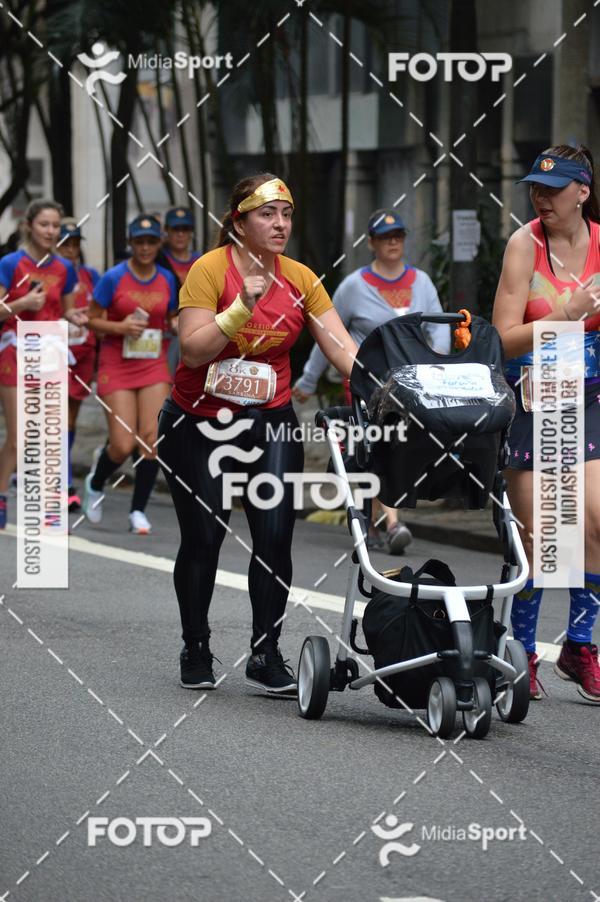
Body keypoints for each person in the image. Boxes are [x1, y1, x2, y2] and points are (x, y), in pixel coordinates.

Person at [157, 173, 358, 695]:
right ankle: (196, 645)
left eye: (286, 214)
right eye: (267, 214)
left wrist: (392, 382)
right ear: (239, 222)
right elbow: (195, 350)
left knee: (274, 537)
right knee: (204, 537)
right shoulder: (209, 270)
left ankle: (265, 653)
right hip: (197, 422)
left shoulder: (301, 278)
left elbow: (341, 349)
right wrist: (242, 306)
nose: (280, 224)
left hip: (269, 419)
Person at [492, 144, 600, 703]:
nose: (541, 198)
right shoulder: (523, 244)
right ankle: (524, 651)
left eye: (553, 189)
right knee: (544, 540)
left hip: (590, 398)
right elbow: (502, 337)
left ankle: (580, 646)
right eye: (535, 188)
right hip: (533, 401)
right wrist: (565, 314)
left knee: (597, 520)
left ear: (582, 191)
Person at [293, 209, 450, 554]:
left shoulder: (421, 282)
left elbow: (439, 327)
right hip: (367, 383)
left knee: (394, 451)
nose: (392, 242)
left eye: (398, 236)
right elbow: (329, 336)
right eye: (385, 237)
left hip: (412, 386)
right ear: (371, 243)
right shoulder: (353, 287)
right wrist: (307, 381)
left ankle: (377, 519)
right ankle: (392, 523)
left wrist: (438, 364)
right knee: (380, 447)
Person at [82, 214, 178, 535]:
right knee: (122, 445)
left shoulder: (166, 278)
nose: (146, 247)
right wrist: (120, 327)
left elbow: (173, 318)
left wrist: (186, 328)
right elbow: (91, 319)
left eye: (152, 241)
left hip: (152, 362)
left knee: (151, 441)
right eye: (140, 241)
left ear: (159, 243)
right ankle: (95, 483)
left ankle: (137, 510)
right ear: (131, 243)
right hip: (116, 362)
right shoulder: (113, 278)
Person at [0, 199, 84, 530]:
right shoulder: (10, 263)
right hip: (16, 349)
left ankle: (49, 503)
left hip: (50, 351)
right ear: (29, 226)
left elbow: (64, 309)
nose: (51, 231)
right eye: (44, 225)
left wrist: (74, 316)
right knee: (19, 437)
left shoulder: (64, 268)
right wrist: (22, 302)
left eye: (55, 226)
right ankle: (2, 493)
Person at [59, 218, 101, 511]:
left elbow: (99, 314)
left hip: (83, 355)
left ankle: (61, 478)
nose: (71, 249)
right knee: (54, 419)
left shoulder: (90, 275)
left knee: (70, 420)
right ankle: (63, 484)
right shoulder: (47, 274)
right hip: (52, 353)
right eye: (66, 244)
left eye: (75, 244)